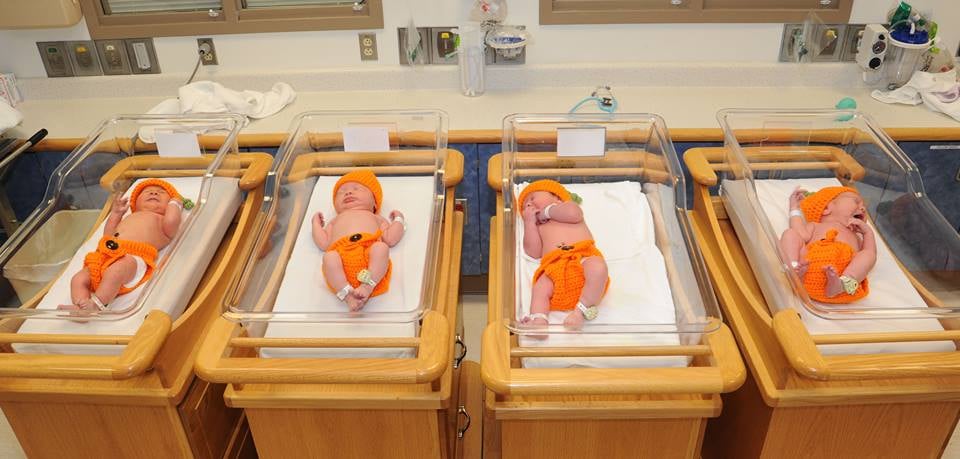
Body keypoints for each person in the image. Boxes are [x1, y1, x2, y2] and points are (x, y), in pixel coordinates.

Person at [60, 179, 186, 313]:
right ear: (135, 203)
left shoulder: (161, 221)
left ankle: (96, 305)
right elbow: (108, 235)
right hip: (105, 255)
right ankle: (80, 305)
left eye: (161, 193)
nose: (154, 192)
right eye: (147, 192)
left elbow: (173, 220)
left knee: (115, 272)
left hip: (133, 258)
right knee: (78, 279)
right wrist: (116, 214)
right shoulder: (129, 217)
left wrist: (175, 203)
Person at [518, 179, 609, 332]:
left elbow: (574, 214)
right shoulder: (539, 226)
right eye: (525, 204)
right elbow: (533, 252)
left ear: (556, 197)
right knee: (540, 287)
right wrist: (529, 223)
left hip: (582, 257)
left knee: (598, 267)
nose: (528, 204)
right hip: (555, 265)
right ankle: (539, 321)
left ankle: (580, 311)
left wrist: (547, 211)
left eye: (532, 198)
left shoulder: (567, 208)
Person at [312, 169, 405, 311]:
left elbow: (391, 238)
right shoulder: (335, 220)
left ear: (374, 202)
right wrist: (316, 224)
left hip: (368, 254)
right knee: (329, 257)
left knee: (381, 248)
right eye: (341, 192)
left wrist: (398, 220)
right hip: (341, 257)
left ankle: (367, 286)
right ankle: (347, 295)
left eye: (357, 189)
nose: (348, 193)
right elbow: (324, 243)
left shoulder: (376, 217)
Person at [778, 186, 877, 303]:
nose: (863, 208)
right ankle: (793, 270)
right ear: (827, 208)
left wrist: (867, 232)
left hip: (841, 275)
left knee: (868, 255)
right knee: (790, 234)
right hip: (807, 267)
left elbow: (870, 253)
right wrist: (794, 208)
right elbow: (799, 232)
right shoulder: (815, 226)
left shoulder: (857, 236)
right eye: (856, 201)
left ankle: (843, 283)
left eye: (863, 206)